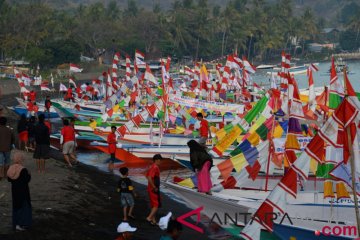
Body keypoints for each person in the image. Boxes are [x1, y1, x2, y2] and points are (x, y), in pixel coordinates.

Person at [7, 150, 32, 231]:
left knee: (16, 207)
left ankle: (16, 224)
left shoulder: (11, 168)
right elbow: (26, 180)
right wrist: (29, 174)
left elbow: (9, 179)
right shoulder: (23, 169)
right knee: (24, 207)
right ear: (21, 159)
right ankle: (23, 224)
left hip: (14, 191)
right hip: (23, 191)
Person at [146, 154, 162, 225]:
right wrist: (154, 187)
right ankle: (149, 218)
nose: (161, 162)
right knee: (156, 205)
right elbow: (149, 177)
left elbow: (147, 176)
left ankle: (153, 220)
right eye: (160, 160)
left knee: (153, 204)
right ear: (157, 160)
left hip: (151, 188)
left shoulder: (152, 166)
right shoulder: (155, 167)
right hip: (153, 189)